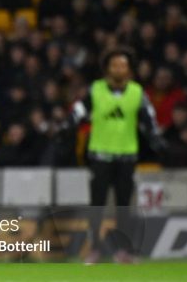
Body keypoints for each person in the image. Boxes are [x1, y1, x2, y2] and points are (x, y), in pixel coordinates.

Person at [70, 47, 164, 263]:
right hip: (100, 156)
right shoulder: (96, 89)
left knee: (124, 207)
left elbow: (148, 118)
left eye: (123, 65)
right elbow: (79, 111)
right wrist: (68, 124)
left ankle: (123, 250)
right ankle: (94, 249)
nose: (119, 69)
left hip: (126, 157)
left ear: (129, 69)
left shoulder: (137, 92)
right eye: (115, 65)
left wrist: (155, 136)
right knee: (97, 205)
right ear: (107, 68)